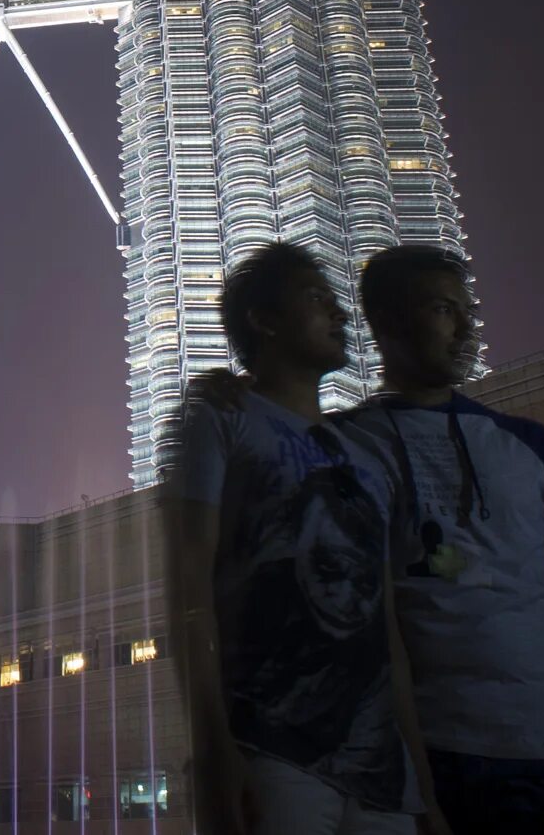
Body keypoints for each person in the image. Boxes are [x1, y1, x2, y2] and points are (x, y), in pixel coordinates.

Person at [337, 245, 544, 835]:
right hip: (401, 771)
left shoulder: (530, 446)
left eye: (467, 311)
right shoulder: (342, 446)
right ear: (384, 322)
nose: (465, 329)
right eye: (442, 310)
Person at [164, 242, 443, 835]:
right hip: (271, 754)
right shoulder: (220, 415)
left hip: (384, 778)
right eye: (318, 300)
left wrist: (425, 789)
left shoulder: (365, 457)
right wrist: (213, 747)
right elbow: (187, 584)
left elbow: (385, 628)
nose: (341, 314)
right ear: (264, 321)